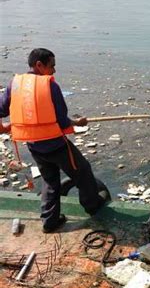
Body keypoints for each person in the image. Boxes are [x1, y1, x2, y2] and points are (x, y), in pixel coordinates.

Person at [0, 48, 106, 233]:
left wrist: (3, 127)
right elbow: (63, 122)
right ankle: (92, 206)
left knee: (50, 181)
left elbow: (1, 110)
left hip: (34, 146)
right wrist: (78, 122)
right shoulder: (50, 85)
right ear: (39, 65)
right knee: (83, 172)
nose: (54, 71)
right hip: (55, 145)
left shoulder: (14, 84)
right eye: (52, 66)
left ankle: (50, 221)